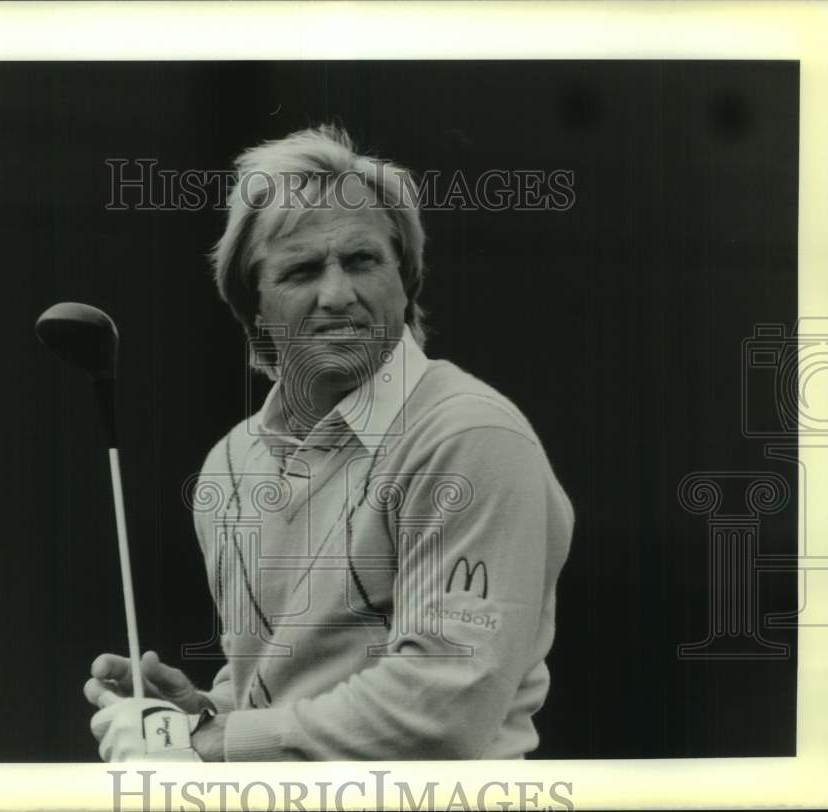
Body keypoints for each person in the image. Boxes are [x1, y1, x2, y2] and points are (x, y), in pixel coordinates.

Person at [85, 124, 574, 761]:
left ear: (407, 281)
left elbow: (441, 706)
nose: (338, 294)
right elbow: (277, 694)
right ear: (253, 307)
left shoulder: (470, 437)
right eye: (302, 270)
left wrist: (217, 739)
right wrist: (202, 711)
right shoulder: (230, 467)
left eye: (363, 260)